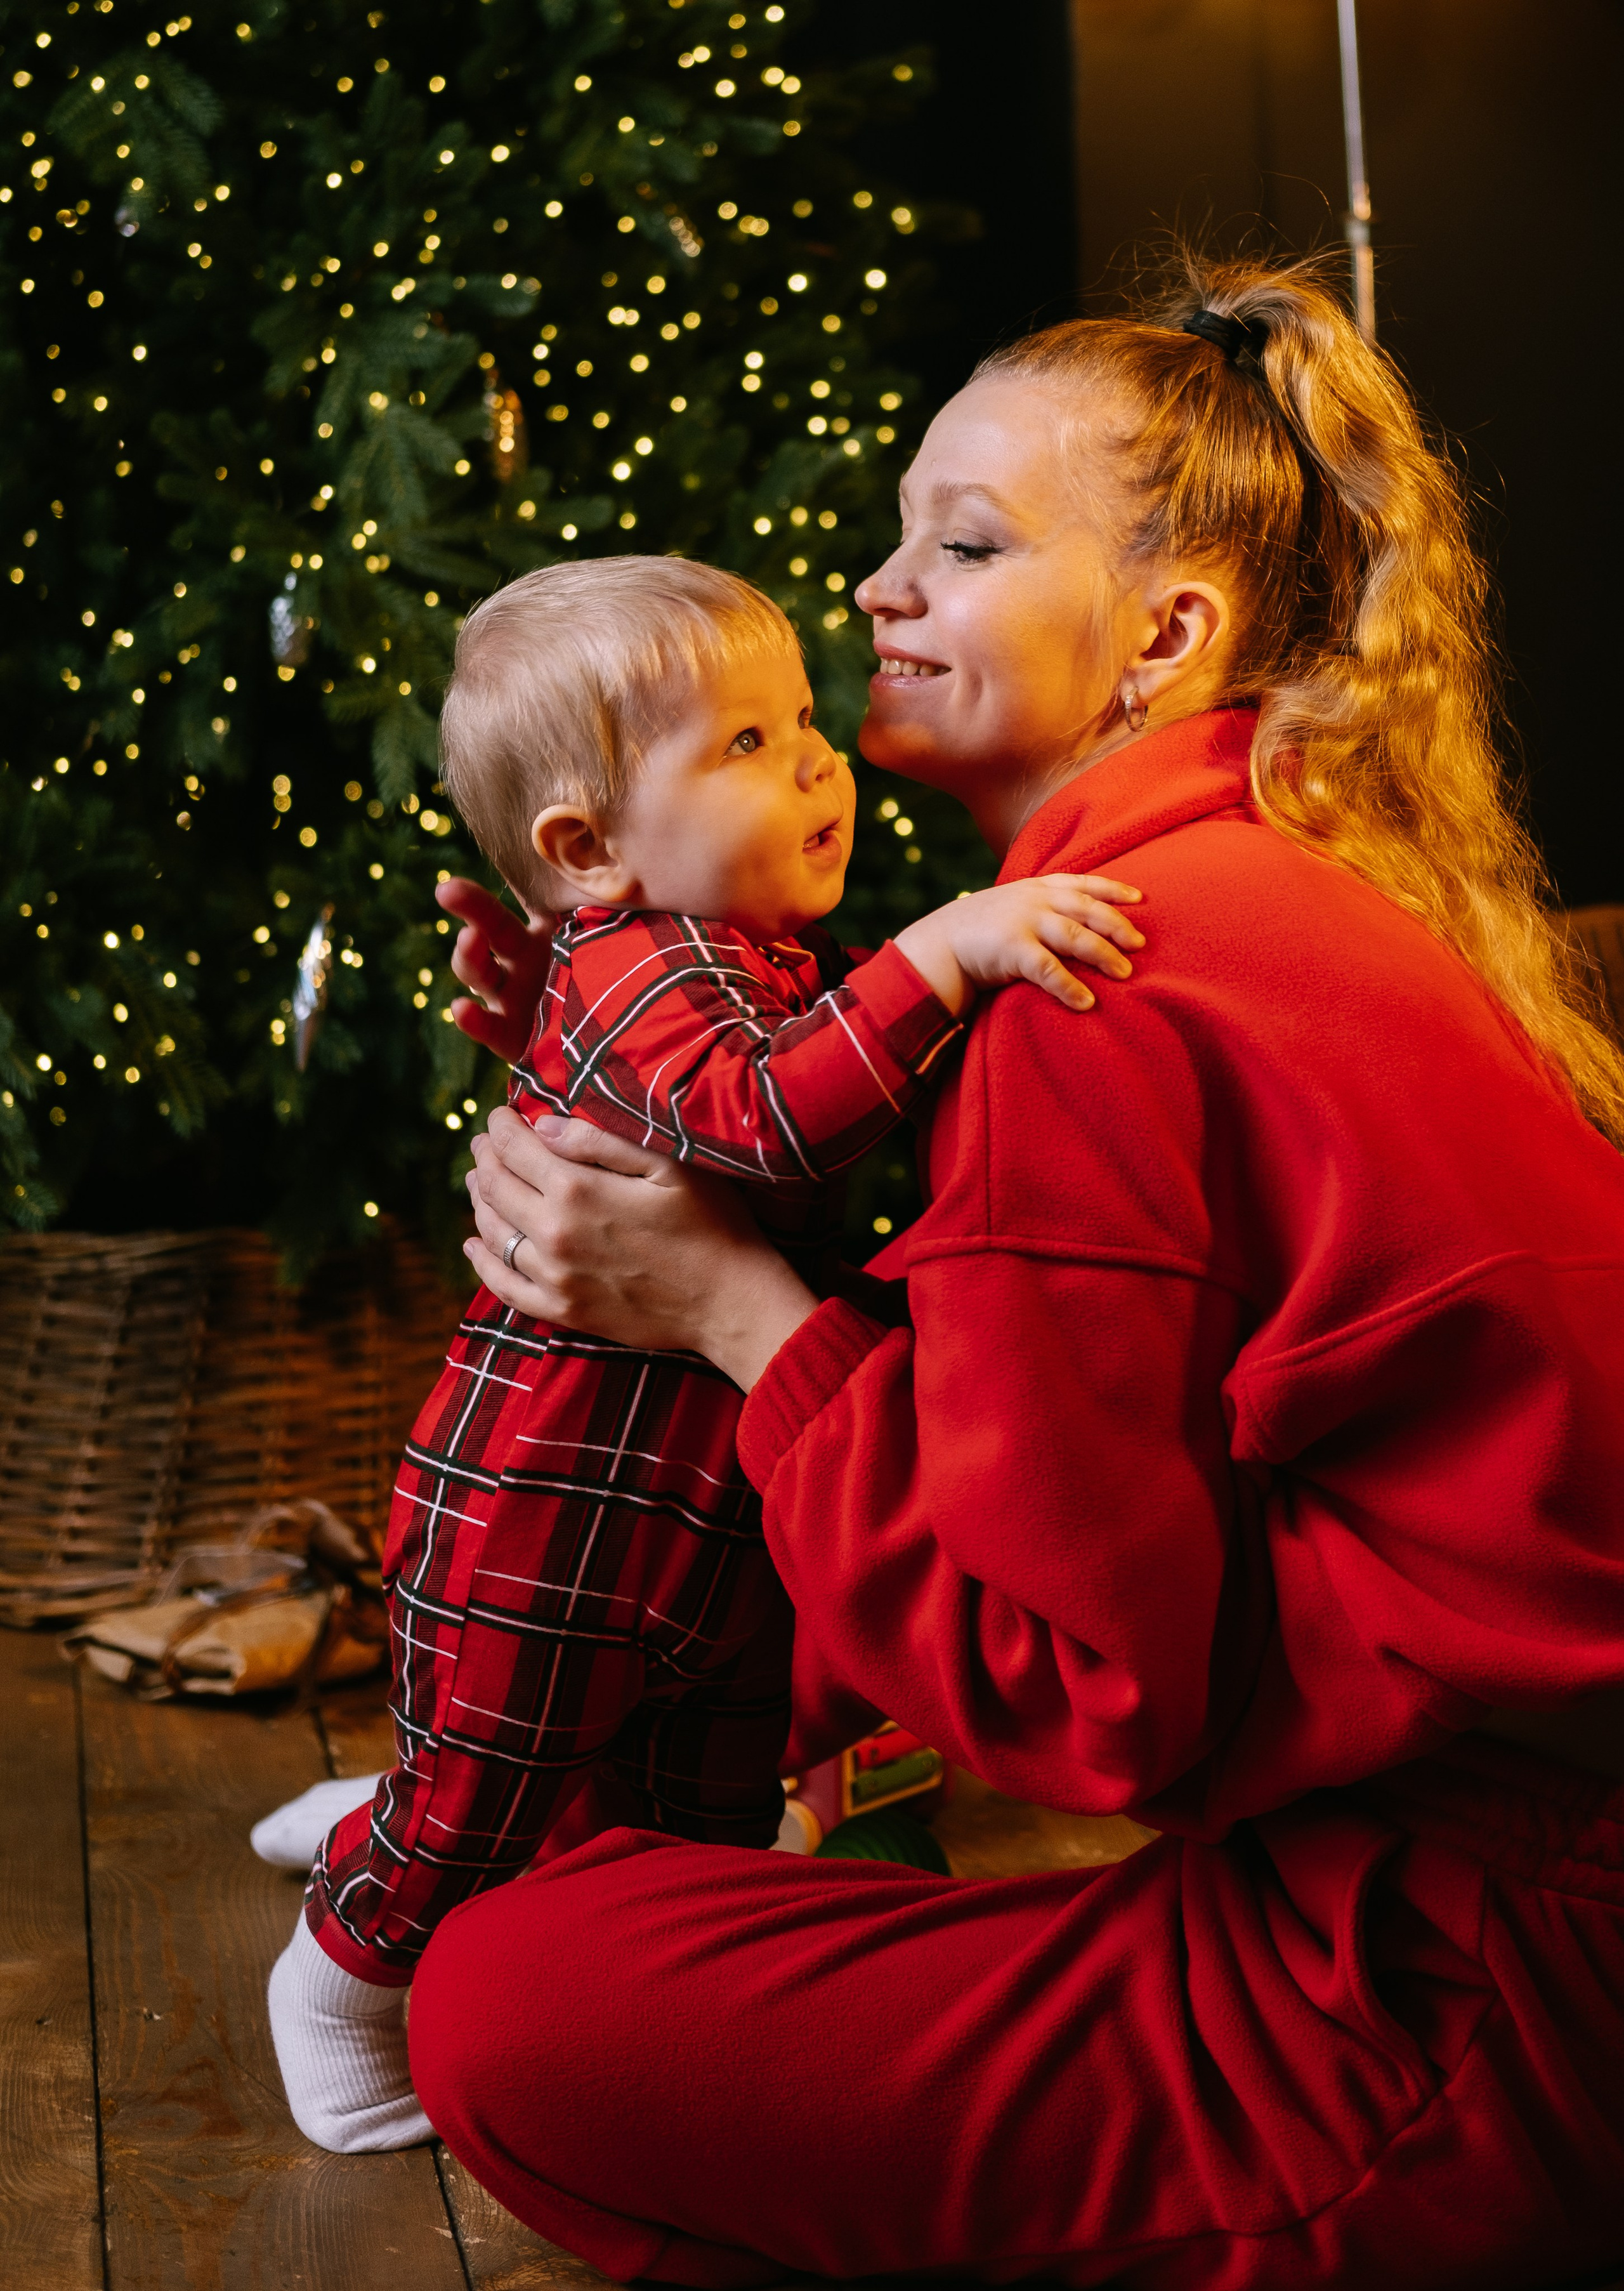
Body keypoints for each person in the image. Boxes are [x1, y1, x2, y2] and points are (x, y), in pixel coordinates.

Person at [402, 254, 1624, 2288]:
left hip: (1458, 2006)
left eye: (963, 546)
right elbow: (1031, 1393)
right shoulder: (1240, 886)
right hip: (1456, 1898)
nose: (879, 590)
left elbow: (1093, 1697)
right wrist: (610, 1012)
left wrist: (731, 1312)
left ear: (1164, 636)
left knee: (504, 2006)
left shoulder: (1095, 992)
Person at [265, 556, 1146, 2152]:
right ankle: (341, 1969)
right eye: (746, 744)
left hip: (697, 1520)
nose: (813, 764)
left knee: (705, 1809)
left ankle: (594, 1915)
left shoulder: (735, 961)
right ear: (585, 851)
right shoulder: (639, 964)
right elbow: (766, 1115)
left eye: (800, 721)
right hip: (547, 1515)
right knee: (485, 1774)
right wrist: (947, 954)